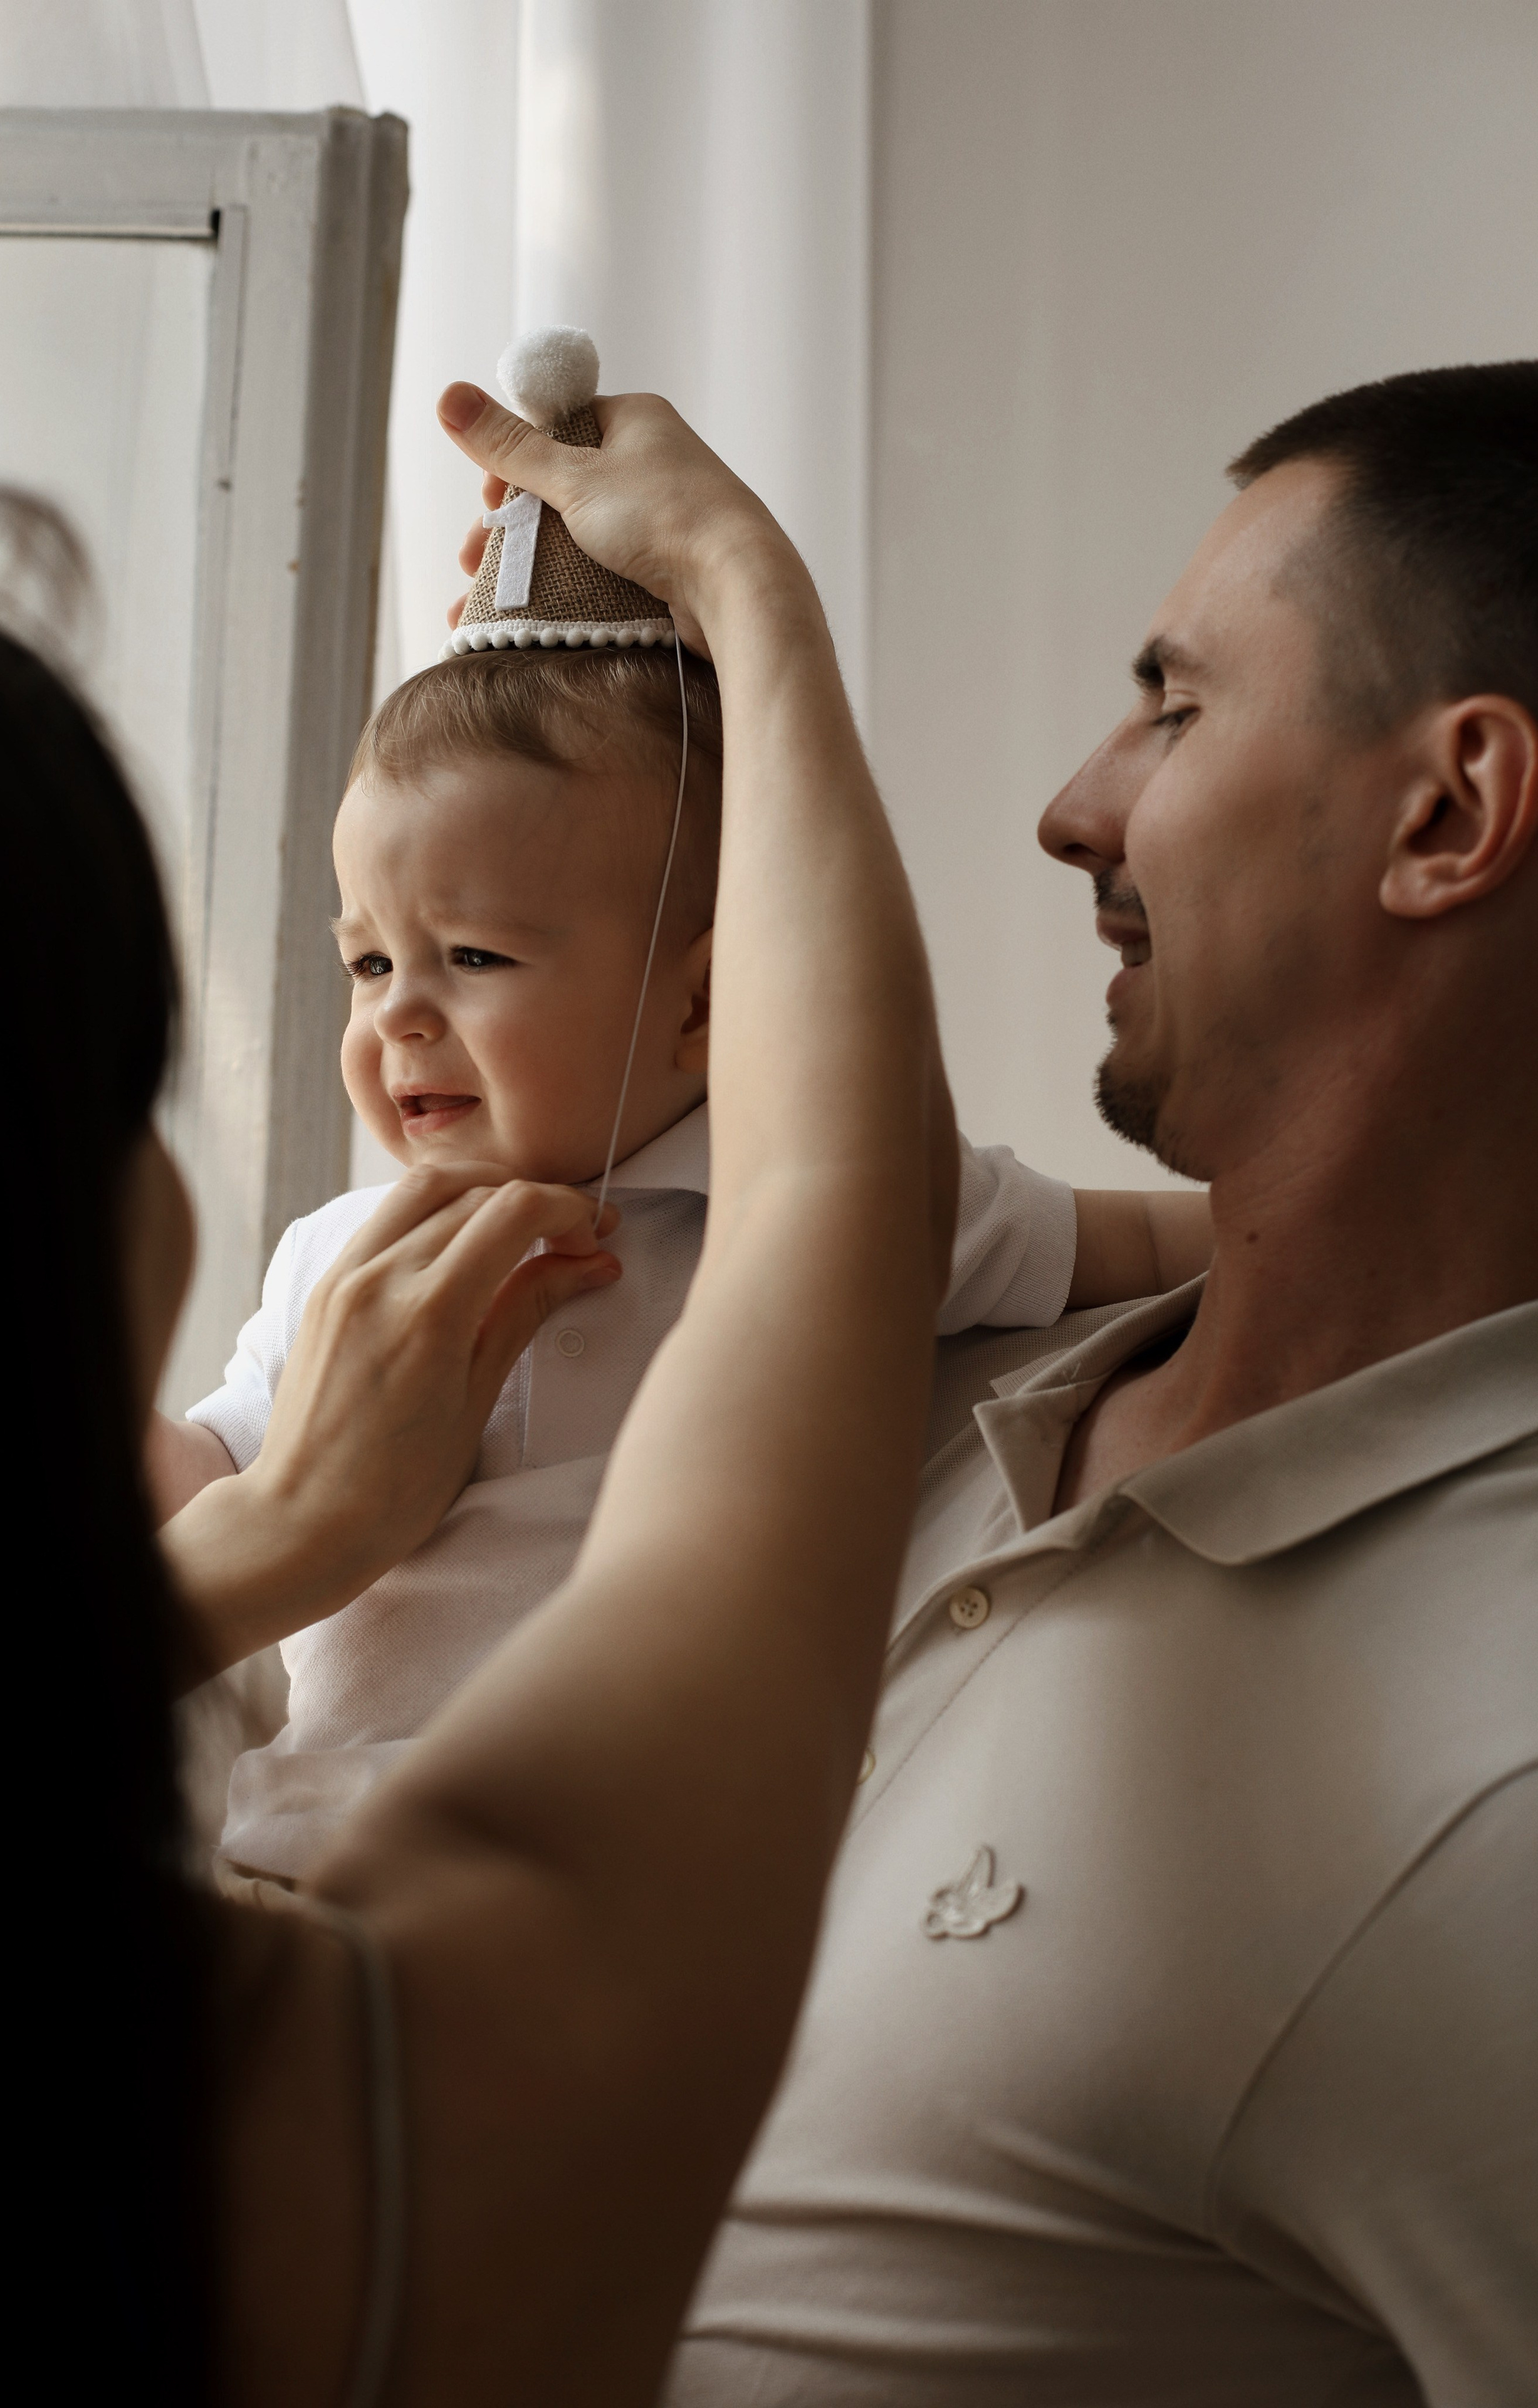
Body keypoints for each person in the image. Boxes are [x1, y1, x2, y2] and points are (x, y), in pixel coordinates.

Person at [412, 358, 1538, 2405]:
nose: (1071, 805)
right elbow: (821, 1178)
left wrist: (748, 592)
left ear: (1449, 812)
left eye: (1174, 706)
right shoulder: (927, 1390)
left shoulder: (1498, 1785)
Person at [0, 376, 958, 2407]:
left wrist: (270, 1543)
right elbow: (837, 1214)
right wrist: (738, 582)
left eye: (471, 959)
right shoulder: (405, 2131)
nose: (397, 1024)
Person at [149, 344, 1210, 1887]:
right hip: (303, 1858)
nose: (396, 1018)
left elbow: (1158, 1245)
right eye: (368, 962)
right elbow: (217, 1473)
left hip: (614, 1890)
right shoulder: (343, 1260)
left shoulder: (835, 1210)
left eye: (473, 958)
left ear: (709, 1002)